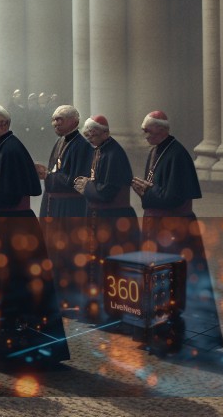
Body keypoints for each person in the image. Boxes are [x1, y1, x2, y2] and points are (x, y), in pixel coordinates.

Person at [0, 105, 69, 370]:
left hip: (12, 228)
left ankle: (14, 353)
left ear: (3, 124)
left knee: (13, 290)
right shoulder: (2, 147)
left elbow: (7, 196)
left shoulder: (10, 150)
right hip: (7, 225)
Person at [133, 110, 223, 352]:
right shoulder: (155, 151)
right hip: (156, 226)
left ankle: (173, 338)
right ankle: (155, 334)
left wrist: (146, 192)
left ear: (162, 129)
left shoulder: (178, 155)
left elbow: (173, 197)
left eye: (147, 129)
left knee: (174, 282)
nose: (144, 134)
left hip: (173, 229)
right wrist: (147, 192)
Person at [75, 113, 137, 321]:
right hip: (99, 216)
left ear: (105, 133)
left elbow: (107, 191)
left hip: (112, 219)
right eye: (88, 135)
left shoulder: (114, 154)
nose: (89, 138)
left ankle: (113, 309)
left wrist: (86, 187)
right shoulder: (100, 150)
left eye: (92, 134)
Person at [37, 104, 93, 314]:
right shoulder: (60, 142)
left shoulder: (83, 146)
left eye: (60, 119)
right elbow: (56, 171)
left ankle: (71, 298)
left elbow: (75, 180)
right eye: (53, 119)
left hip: (70, 207)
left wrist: (47, 175)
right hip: (53, 205)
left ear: (74, 121)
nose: (55, 123)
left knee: (68, 253)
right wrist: (47, 175)